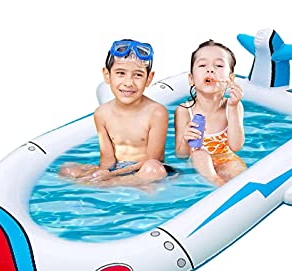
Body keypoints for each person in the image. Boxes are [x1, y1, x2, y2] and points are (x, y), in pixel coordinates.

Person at [59, 39, 171, 188]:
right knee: (67, 168)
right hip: (118, 170)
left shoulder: (156, 112)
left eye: (137, 75)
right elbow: (107, 160)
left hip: (144, 169)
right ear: (107, 75)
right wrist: (101, 172)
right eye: (120, 73)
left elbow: (153, 159)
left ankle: (112, 184)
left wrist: (111, 176)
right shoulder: (102, 113)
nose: (128, 83)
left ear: (148, 79)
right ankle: (117, 184)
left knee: (153, 169)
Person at [174, 40, 246, 186]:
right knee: (200, 155)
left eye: (219, 65)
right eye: (202, 65)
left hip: (226, 158)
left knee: (241, 177)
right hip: (198, 162)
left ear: (230, 79)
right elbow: (181, 154)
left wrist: (233, 107)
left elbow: (236, 146)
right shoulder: (184, 110)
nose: (210, 70)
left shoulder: (233, 106)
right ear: (191, 79)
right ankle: (217, 183)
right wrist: (186, 139)